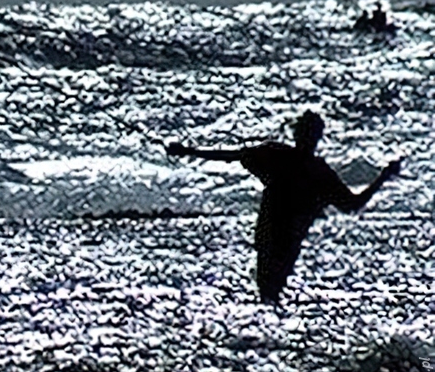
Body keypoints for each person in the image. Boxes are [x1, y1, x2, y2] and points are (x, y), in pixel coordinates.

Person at [167, 111, 402, 305]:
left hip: (278, 235)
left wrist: (188, 151)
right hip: (279, 235)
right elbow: (232, 155)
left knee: (268, 289)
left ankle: (265, 332)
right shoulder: (300, 164)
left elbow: (352, 204)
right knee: (270, 289)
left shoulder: (294, 162)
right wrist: (189, 151)